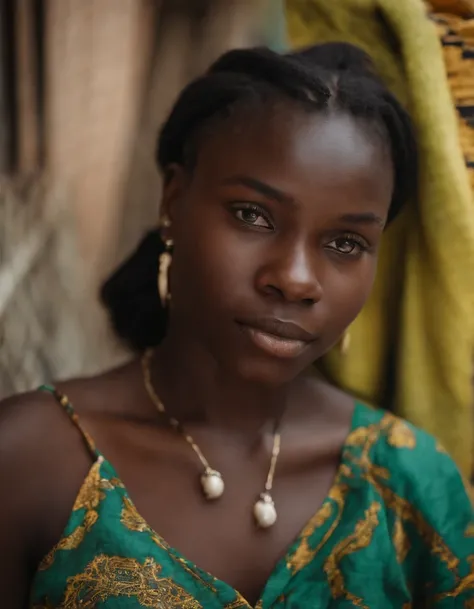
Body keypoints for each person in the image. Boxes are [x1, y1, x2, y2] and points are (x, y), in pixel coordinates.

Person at [1, 42, 472, 609]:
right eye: (253, 215)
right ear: (173, 200)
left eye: (346, 243)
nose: (295, 279)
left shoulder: (410, 486)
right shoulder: (29, 461)